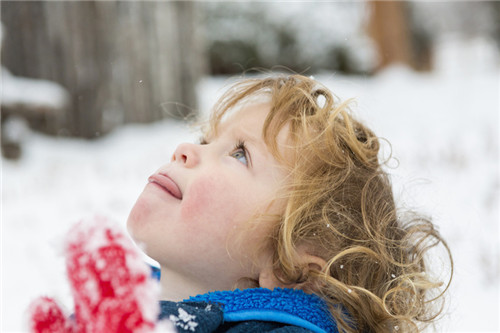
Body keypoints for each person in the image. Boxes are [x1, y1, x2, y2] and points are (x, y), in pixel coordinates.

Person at [127, 74, 452, 333]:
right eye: (206, 140)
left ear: (289, 270)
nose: (185, 149)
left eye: (239, 154)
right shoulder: (120, 295)